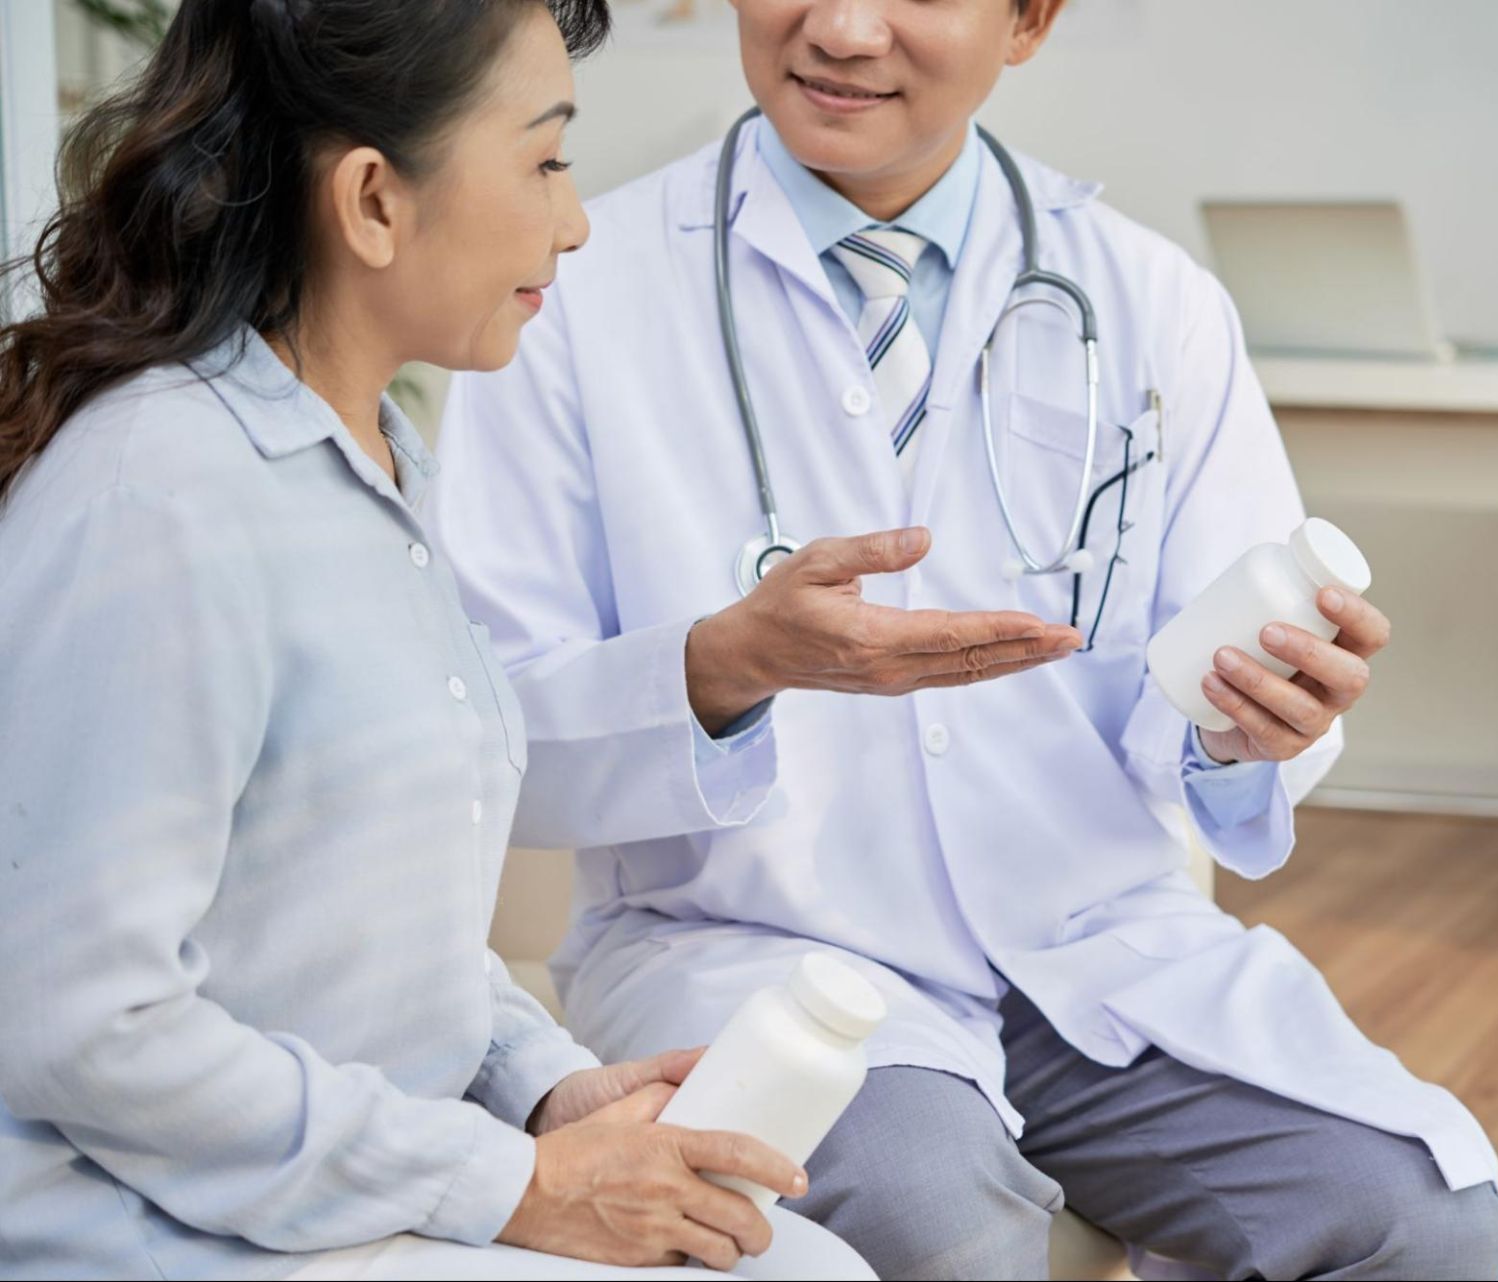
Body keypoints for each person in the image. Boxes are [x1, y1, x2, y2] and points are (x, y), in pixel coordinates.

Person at [429, 0, 1498, 1277]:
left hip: (1098, 953)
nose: (844, 28)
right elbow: (490, 724)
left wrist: (1245, 730)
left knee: (1419, 1222)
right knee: (941, 1224)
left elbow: (1212, 690)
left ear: (1031, 19)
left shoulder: (1150, 299)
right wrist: (727, 665)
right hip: (762, 954)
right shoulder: (571, 292)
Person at [0, 2, 870, 1279]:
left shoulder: (371, 469)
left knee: (797, 1262)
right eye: (545, 160)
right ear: (373, 202)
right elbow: (85, 1024)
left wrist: (547, 1091)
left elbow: (364, 934)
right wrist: (515, 1185)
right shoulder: (159, 496)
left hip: (349, 1186)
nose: (573, 222)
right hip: (156, 1229)